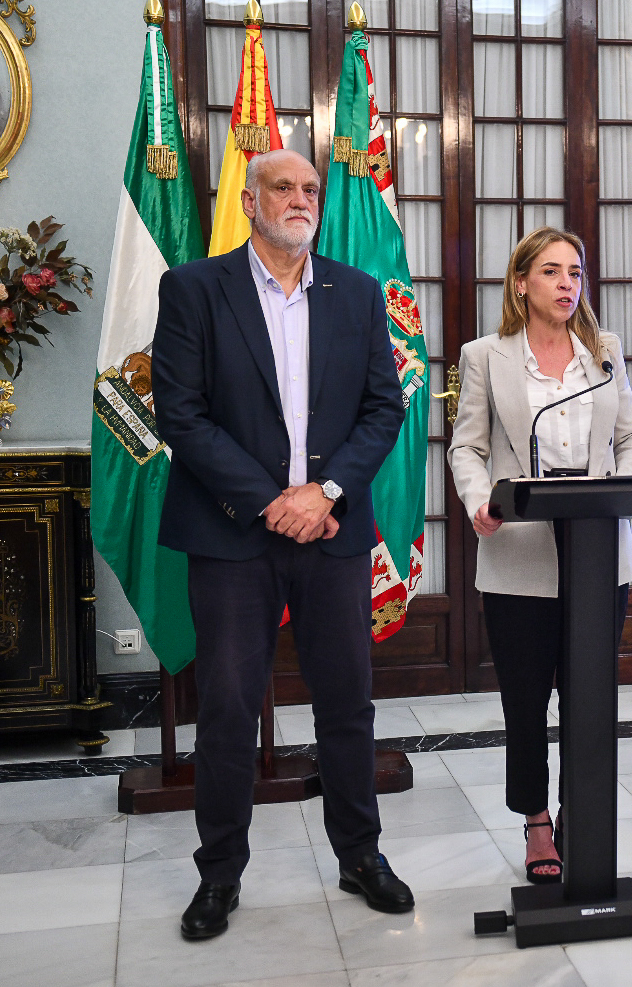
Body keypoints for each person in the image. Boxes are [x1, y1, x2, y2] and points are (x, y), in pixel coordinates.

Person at [152, 149, 414, 940]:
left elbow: (383, 407)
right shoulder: (194, 288)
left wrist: (325, 492)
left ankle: (360, 854)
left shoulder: (357, 292)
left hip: (332, 532)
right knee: (228, 709)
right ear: (249, 198)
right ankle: (219, 873)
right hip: (232, 534)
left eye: (310, 189)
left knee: (347, 704)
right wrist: (273, 503)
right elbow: (181, 413)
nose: (301, 199)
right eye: (283, 187)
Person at [448, 226, 632, 883]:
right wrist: (478, 499)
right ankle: (536, 820)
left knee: (588, 697)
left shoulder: (604, 353)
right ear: (521, 283)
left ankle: (578, 812)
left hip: (597, 554)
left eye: (575, 272)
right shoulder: (485, 356)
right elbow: (467, 447)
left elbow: (630, 439)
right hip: (519, 555)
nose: (567, 284)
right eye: (552, 271)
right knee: (527, 700)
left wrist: (624, 494)